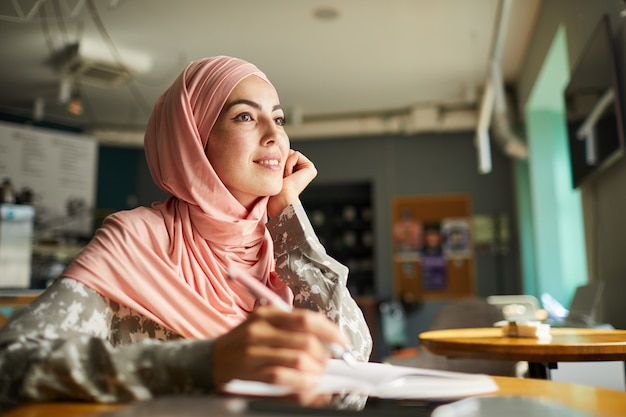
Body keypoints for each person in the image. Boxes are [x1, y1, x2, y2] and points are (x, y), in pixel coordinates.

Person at [0, 56, 372, 406]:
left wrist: (289, 216)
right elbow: (12, 362)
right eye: (245, 116)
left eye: (279, 119)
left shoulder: (283, 247)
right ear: (193, 138)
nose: (274, 135)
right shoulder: (139, 239)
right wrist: (204, 363)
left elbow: (350, 379)